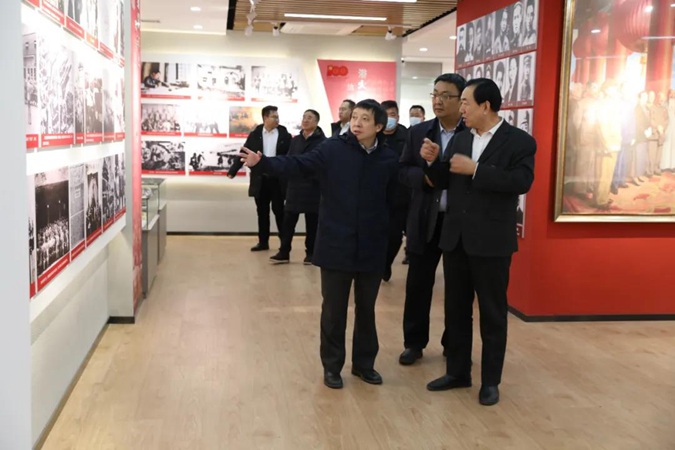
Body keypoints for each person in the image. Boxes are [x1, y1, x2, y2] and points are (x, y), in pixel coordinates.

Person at [239, 99, 399, 389]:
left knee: (366, 309)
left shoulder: (388, 158)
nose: (357, 123)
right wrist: (263, 163)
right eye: (355, 117)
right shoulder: (333, 149)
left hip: (371, 245)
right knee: (334, 310)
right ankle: (332, 367)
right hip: (337, 242)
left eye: (365, 119)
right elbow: (298, 164)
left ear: (379, 126)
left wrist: (389, 239)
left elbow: (394, 201)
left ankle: (364, 364)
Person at [422, 78, 536, 406]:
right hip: (456, 239)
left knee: (492, 313)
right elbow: (443, 180)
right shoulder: (460, 138)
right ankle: (458, 372)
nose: (460, 108)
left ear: (485, 105)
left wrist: (477, 170)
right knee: (456, 311)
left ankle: (490, 381)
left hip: (492, 242)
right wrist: (432, 161)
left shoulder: (519, 141)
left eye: (465, 102)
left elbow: (521, 181)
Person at [398, 73, 466, 365]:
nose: (438, 101)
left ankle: (453, 344)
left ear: (462, 100)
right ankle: (414, 343)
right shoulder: (418, 132)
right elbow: (403, 170)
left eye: (446, 96)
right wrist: (426, 175)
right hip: (425, 218)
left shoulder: (471, 132)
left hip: (458, 222)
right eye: (435, 94)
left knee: (457, 288)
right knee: (418, 285)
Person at [228, 105, 291, 251]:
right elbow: (245, 151)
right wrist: (233, 170)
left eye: (277, 116)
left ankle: (284, 244)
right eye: (274, 116)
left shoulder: (284, 135)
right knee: (262, 212)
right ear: (265, 118)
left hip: (277, 179)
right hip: (260, 179)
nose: (277, 119)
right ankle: (263, 242)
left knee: (279, 211)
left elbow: (291, 156)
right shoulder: (255, 134)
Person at [269, 109, 326, 264]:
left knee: (312, 223)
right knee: (288, 222)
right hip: (294, 186)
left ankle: (311, 253)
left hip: (313, 187)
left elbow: (322, 165)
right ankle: (284, 251)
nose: (305, 120)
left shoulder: (323, 142)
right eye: (304, 117)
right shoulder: (296, 140)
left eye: (310, 118)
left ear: (316, 122)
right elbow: (289, 160)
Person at [381, 100, 410, 281]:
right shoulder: (373, 135)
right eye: (385, 115)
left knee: (394, 235)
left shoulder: (407, 137)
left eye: (392, 115)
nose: (389, 119)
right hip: (377, 194)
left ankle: (385, 264)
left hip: (400, 195)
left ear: (398, 117)